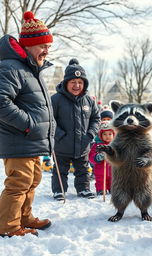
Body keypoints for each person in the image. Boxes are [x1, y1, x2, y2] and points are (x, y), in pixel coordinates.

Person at [0, 11, 54, 237]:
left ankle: (24, 217)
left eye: (48, 46)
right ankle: (8, 227)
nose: (46, 51)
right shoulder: (11, 67)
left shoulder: (32, 69)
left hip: (31, 140)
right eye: (42, 45)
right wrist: (28, 124)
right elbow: (1, 101)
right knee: (18, 183)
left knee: (32, 180)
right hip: (19, 138)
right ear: (29, 46)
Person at [51, 58, 100, 201]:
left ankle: (84, 188)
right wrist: (59, 135)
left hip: (83, 144)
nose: (77, 85)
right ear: (66, 83)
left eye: (80, 82)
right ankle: (59, 190)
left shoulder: (89, 101)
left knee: (83, 169)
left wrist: (90, 134)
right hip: (62, 145)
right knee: (60, 170)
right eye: (73, 82)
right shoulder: (56, 99)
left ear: (84, 84)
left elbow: (96, 119)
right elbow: (50, 120)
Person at [89, 121, 115, 195]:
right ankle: (101, 190)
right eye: (105, 134)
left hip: (113, 170)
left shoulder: (115, 145)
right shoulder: (97, 145)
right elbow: (91, 156)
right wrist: (97, 157)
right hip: (101, 170)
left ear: (113, 134)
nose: (107, 136)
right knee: (100, 180)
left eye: (110, 134)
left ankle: (112, 188)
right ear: (100, 135)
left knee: (113, 179)